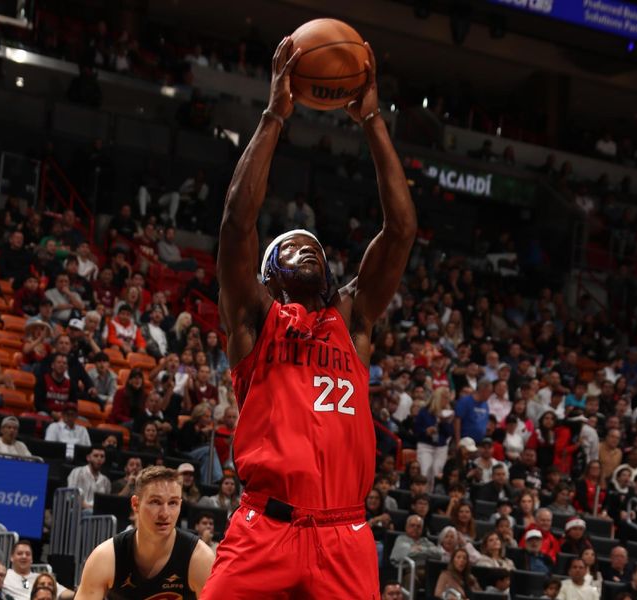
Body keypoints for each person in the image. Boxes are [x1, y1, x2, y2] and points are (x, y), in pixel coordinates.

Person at [200, 34, 415, 599]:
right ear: (267, 276)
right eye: (289, 244)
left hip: (344, 531)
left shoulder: (354, 319)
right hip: (265, 529)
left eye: (314, 244)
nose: (305, 245)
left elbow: (401, 232)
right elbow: (234, 225)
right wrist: (274, 114)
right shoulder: (253, 318)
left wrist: (372, 122)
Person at [73, 466, 214, 599]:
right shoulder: (105, 557)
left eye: (173, 503)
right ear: (135, 504)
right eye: (155, 502)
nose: (165, 514)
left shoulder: (200, 559)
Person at [3, 541, 72, 600]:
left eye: (28, 554)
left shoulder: (42, 578)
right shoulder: (3, 575)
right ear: (11, 557)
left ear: (32, 559)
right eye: (20, 553)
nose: (24, 556)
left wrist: (79, 592)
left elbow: (63, 592)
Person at [66, 446, 111, 513]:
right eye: (96, 456)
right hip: (77, 511)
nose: (99, 459)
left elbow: (106, 502)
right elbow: (70, 495)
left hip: (98, 513)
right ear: (88, 458)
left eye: (102, 456)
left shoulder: (106, 481)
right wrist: (86, 506)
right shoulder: (77, 472)